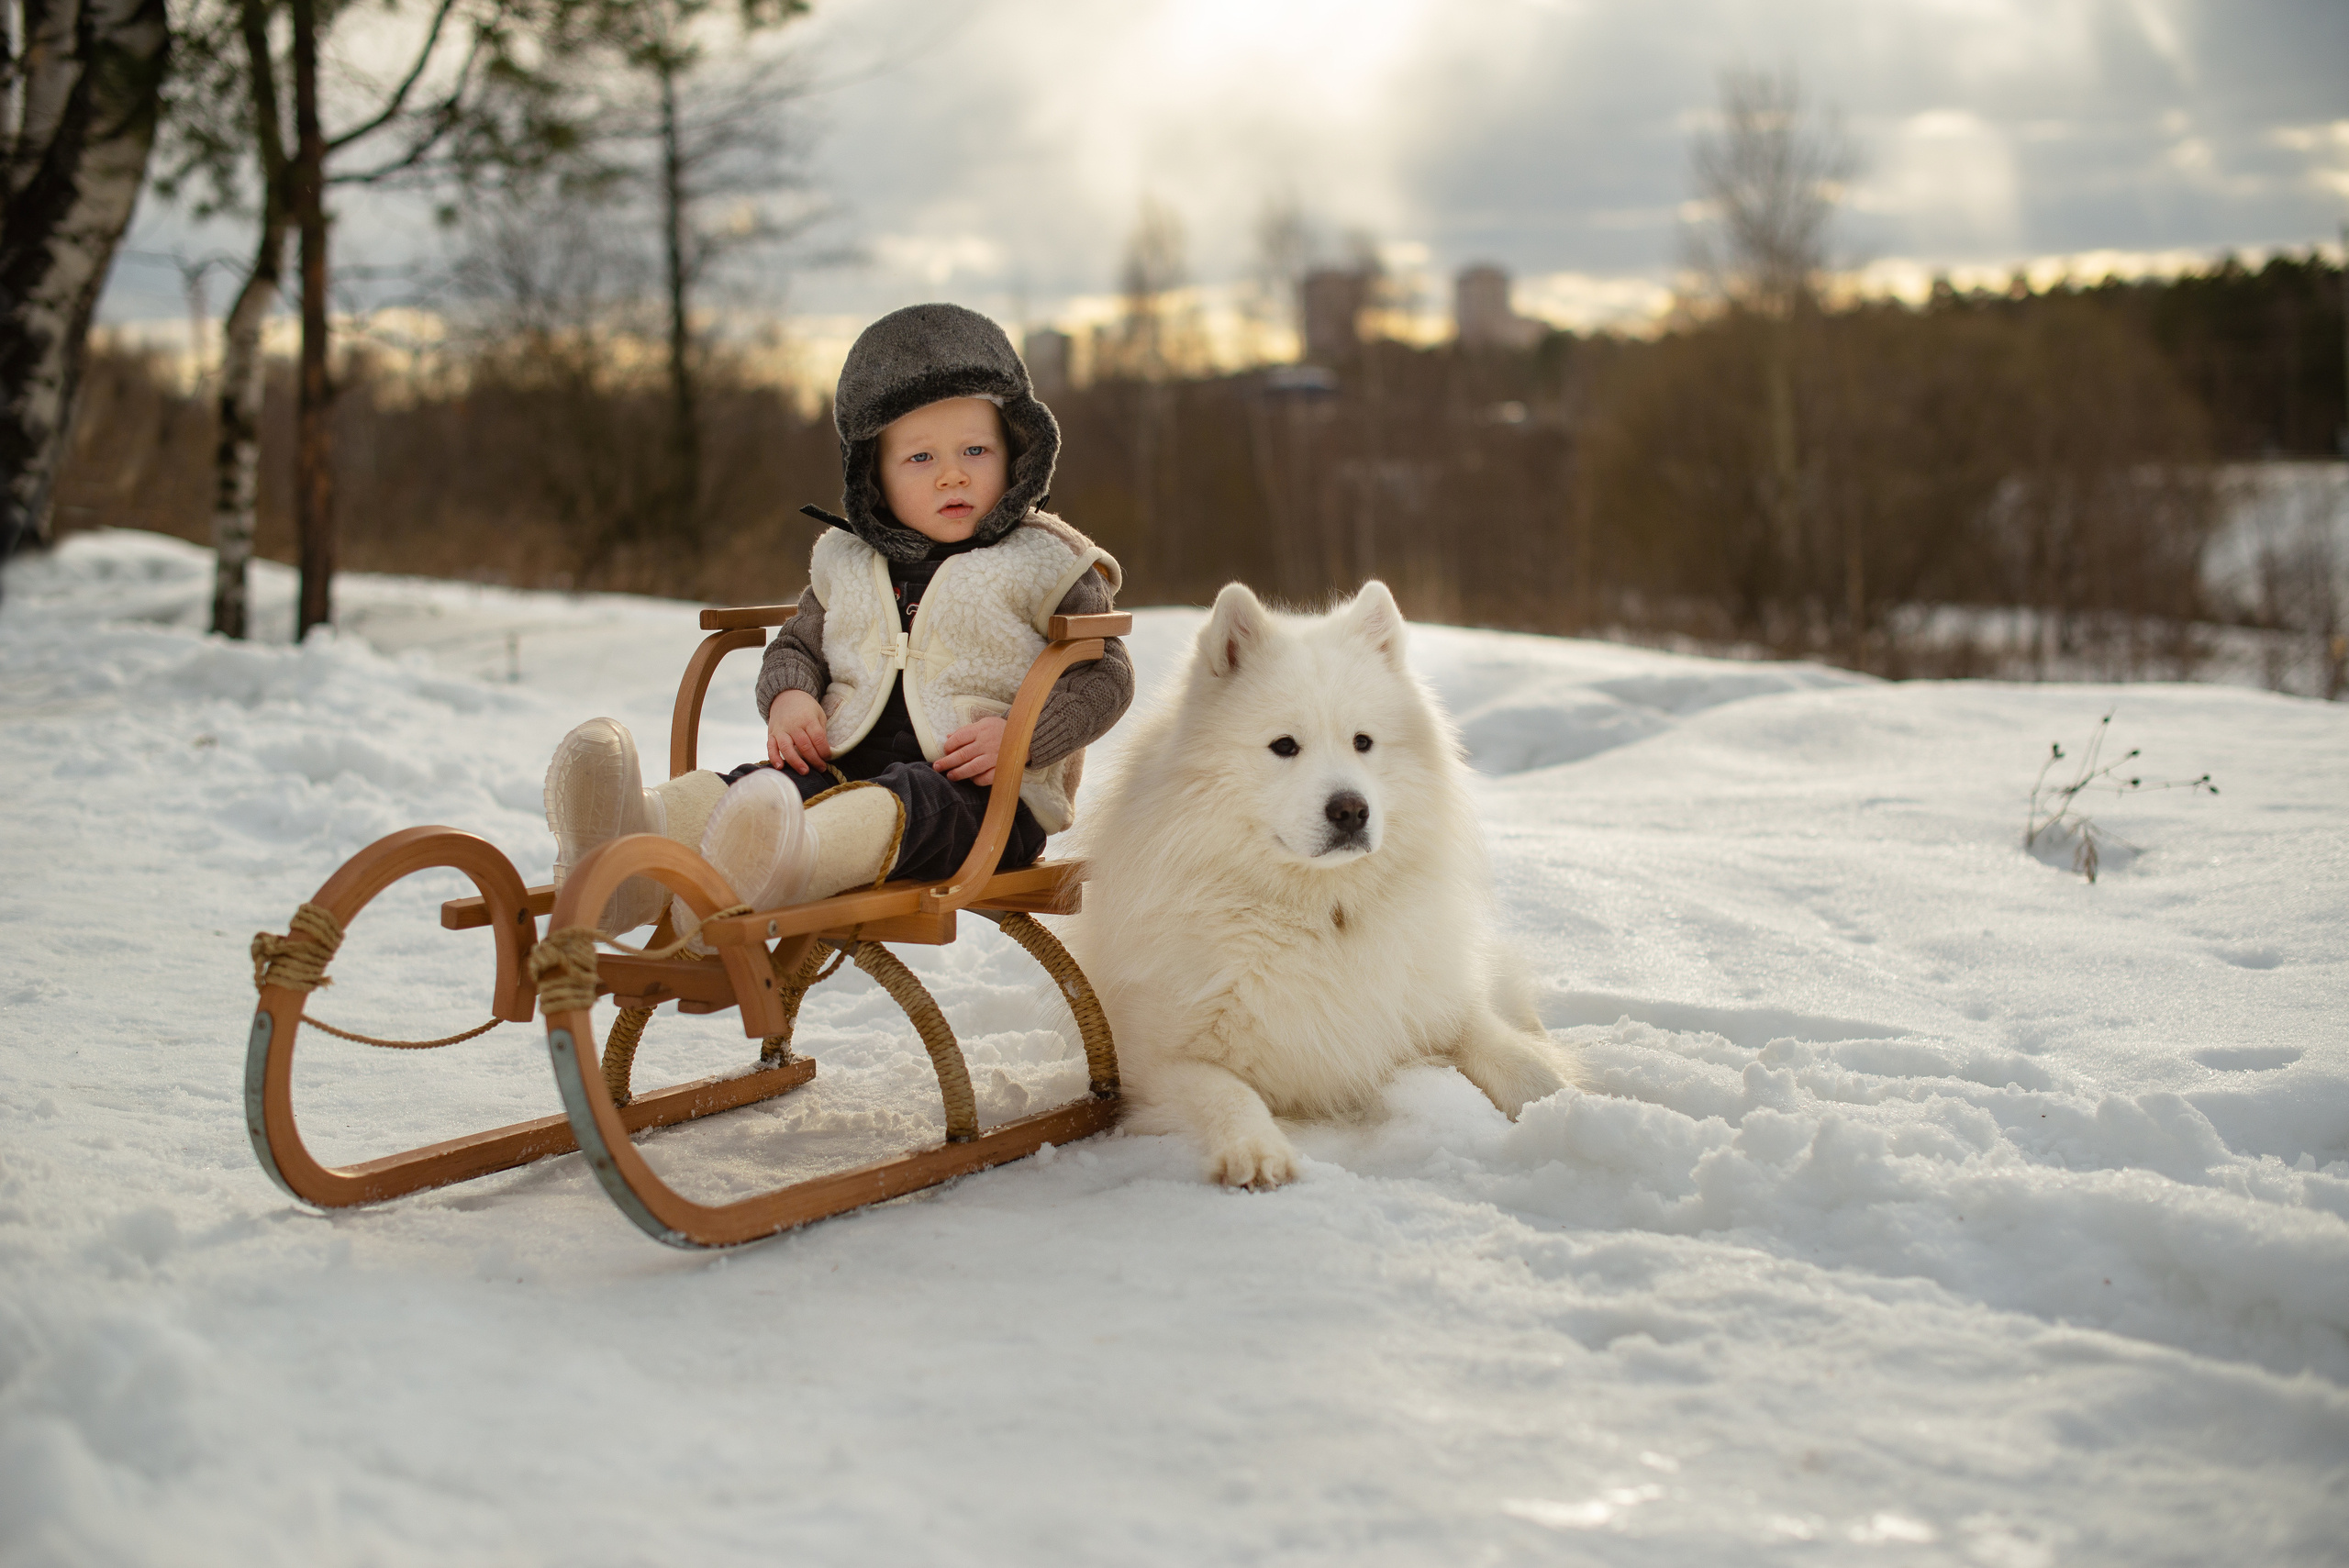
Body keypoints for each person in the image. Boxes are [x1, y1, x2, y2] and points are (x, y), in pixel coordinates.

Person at [542, 303, 1133, 930]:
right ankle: (632, 842)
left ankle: (789, 858)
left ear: (1016, 453)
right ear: (872, 476)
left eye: (975, 449)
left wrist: (1021, 736)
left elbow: (1106, 672)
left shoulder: (1043, 559)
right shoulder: (849, 561)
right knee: (764, 785)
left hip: (981, 798)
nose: (952, 474)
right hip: (844, 765)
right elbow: (797, 646)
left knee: (901, 799)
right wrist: (791, 698)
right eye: (920, 458)